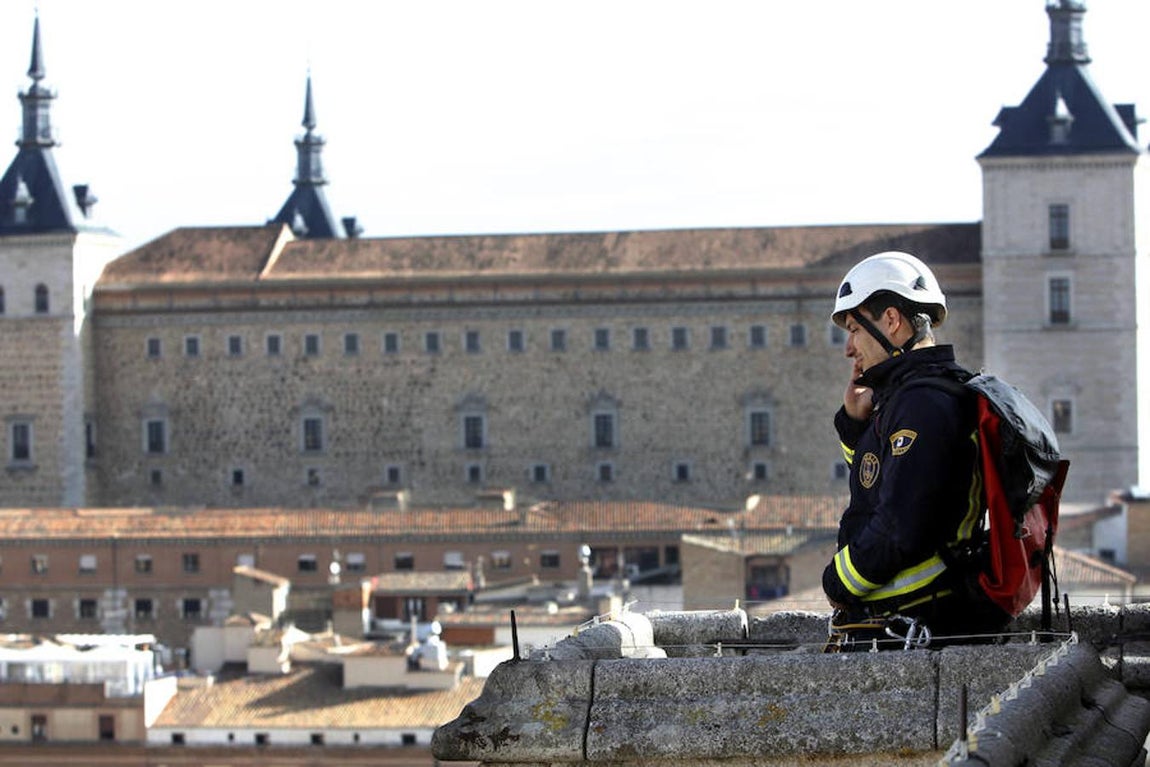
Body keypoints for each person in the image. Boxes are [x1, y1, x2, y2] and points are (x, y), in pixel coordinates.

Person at [821, 251, 1008, 651]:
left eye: (854, 329)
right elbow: (876, 482)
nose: (848, 349)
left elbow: (900, 528)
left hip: (916, 628)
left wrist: (837, 581)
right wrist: (855, 426)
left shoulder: (923, 404)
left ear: (891, 320)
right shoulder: (907, 398)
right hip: (907, 624)